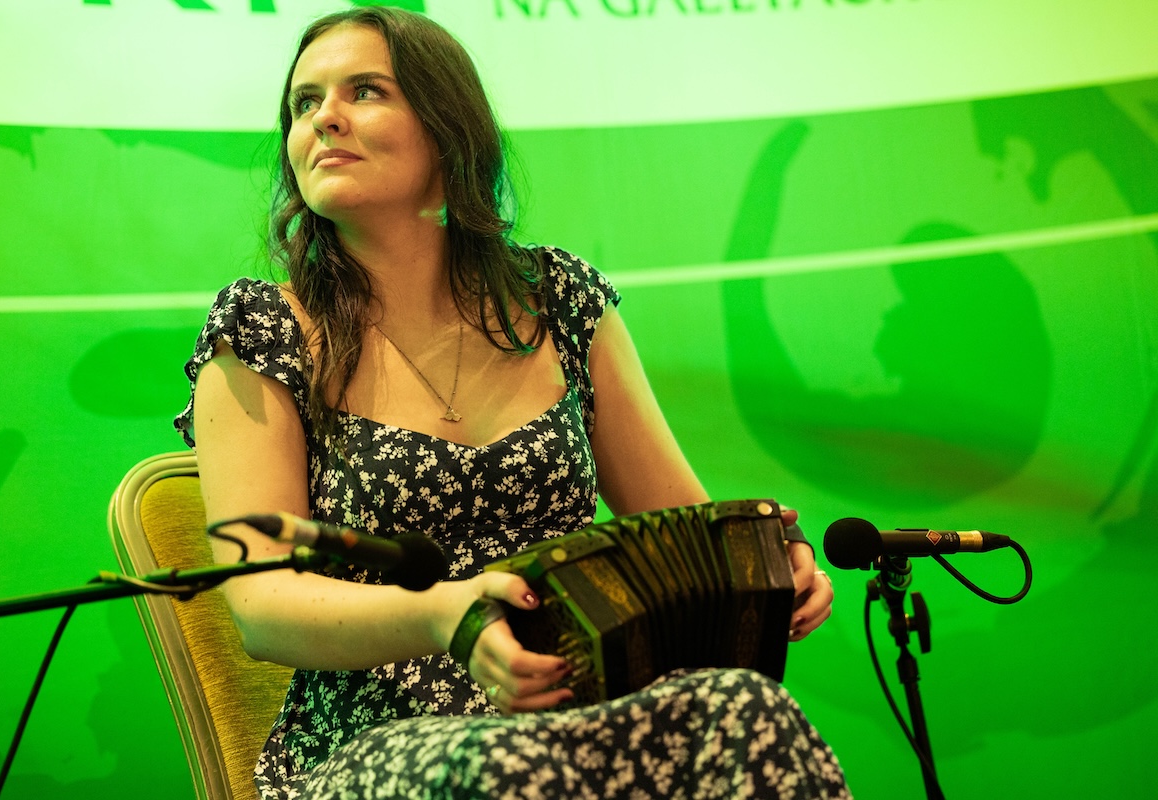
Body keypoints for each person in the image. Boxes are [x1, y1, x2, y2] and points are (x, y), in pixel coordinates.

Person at [175, 6, 848, 798]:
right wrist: (442, 616)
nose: (324, 118)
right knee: (506, 768)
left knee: (749, 709)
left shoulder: (560, 300)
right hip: (371, 744)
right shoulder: (260, 330)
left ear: (447, 127)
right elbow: (260, 608)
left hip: (580, 713)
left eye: (365, 91)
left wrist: (764, 567)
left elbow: (685, 528)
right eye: (302, 103)